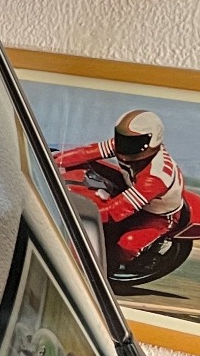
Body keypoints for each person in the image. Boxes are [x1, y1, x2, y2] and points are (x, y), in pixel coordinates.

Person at [53, 110, 185, 263]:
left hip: (157, 215)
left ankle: (109, 268)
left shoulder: (154, 178)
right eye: (122, 138)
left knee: (126, 246)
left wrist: (67, 213)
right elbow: (85, 153)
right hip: (131, 189)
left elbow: (114, 212)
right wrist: (53, 162)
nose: (124, 146)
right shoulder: (124, 145)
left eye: (133, 142)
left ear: (153, 140)